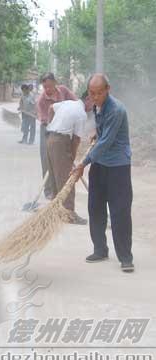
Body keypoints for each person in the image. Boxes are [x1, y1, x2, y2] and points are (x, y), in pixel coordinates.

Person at [71, 74, 134, 273]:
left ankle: (125, 257)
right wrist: (97, 133)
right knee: (95, 207)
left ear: (108, 89)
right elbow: (103, 135)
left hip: (118, 166)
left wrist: (83, 163)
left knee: (119, 212)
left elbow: (107, 142)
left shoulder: (116, 109)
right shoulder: (98, 106)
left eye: (99, 93)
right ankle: (100, 249)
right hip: (100, 163)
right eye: (92, 93)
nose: (95, 97)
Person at [46, 93, 89, 225]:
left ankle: (55, 211)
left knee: (55, 177)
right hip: (61, 142)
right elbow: (76, 140)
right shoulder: (81, 114)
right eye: (92, 102)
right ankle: (69, 214)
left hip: (50, 138)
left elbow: (51, 108)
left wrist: (51, 123)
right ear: (87, 99)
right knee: (67, 178)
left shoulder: (68, 103)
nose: (93, 106)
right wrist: (72, 156)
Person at [37, 72, 77, 199]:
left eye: (49, 86)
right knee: (46, 159)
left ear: (55, 83)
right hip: (48, 131)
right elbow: (44, 119)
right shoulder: (41, 100)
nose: (47, 89)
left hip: (64, 131)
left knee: (64, 160)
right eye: (45, 87)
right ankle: (49, 190)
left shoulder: (64, 91)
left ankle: (63, 188)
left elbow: (75, 102)